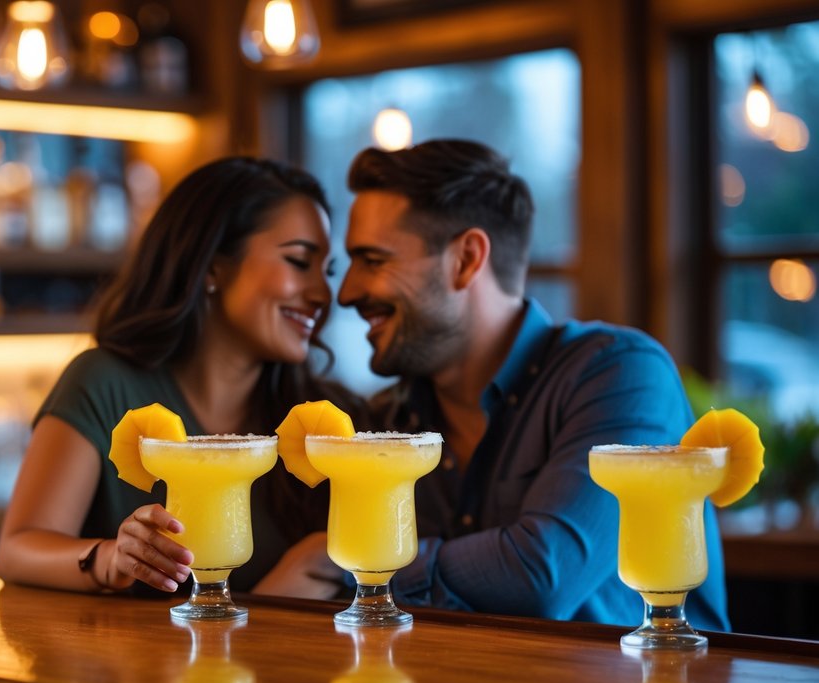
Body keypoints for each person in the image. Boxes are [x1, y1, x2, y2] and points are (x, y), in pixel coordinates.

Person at [284, 138, 729, 629]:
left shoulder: (619, 373)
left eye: (372, 260)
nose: (345, 293)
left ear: (467, 259)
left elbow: (544, 574)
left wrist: (344, 562)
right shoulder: (391, 419)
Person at [0, 156, 363, 598]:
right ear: (212, 267)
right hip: (131, 664)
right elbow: (18, 549)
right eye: (299, 262)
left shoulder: (326, 424)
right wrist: (113, 557)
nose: (323, 294)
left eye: (328, 272)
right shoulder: (104, 383)